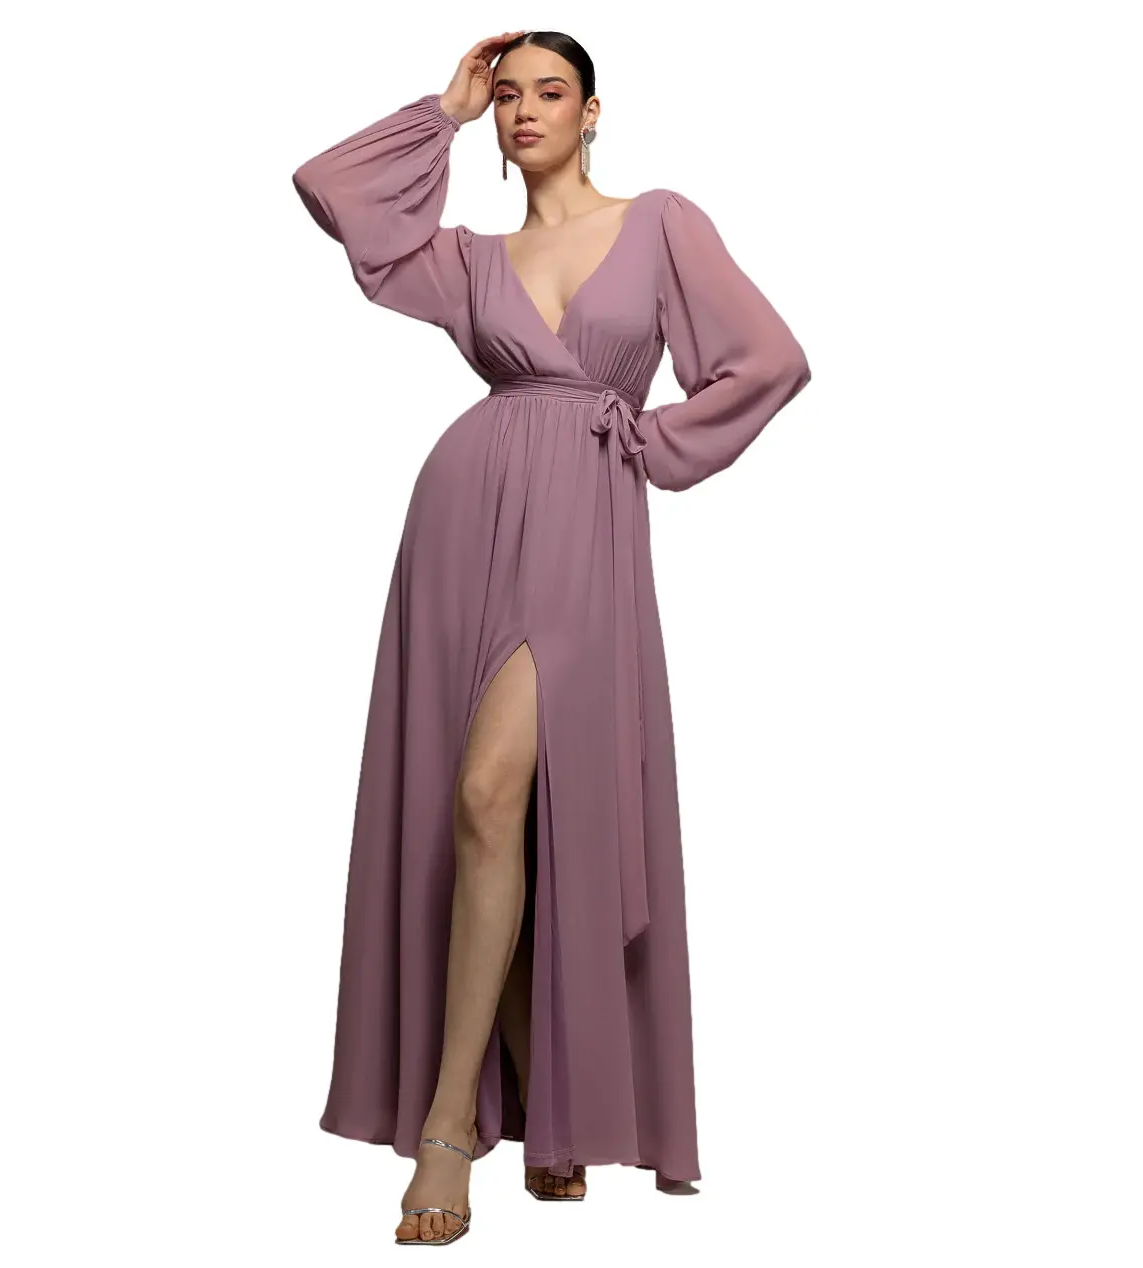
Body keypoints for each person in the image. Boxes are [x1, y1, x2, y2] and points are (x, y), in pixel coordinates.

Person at [291, 29, 811, 1247]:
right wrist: (443, 109)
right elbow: (332, 190)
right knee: (490, 810)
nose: (524, 111)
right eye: (509, 96)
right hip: (463, 514)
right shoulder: (466, 258)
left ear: (591, 111)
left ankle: (447, 1124)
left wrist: (653, 440)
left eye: (549, 93)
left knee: (494, 789)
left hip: (584, 522)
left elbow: (769, 359)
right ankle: (536, 1100)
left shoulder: (659, 222)